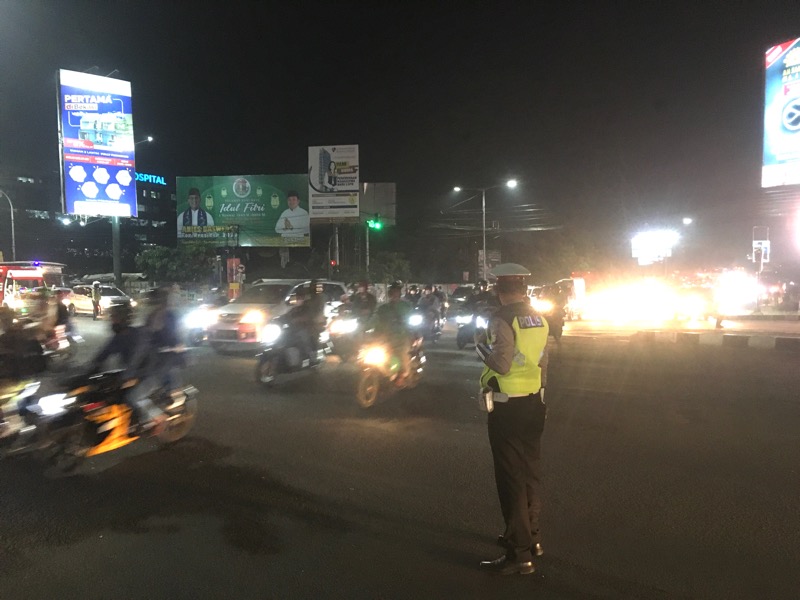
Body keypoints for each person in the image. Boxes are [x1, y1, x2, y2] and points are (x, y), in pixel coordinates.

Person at [475, 263, 549, 576]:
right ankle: (532, 539)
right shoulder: (538, 318)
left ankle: (519, 557)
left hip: (508, 407)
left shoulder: (502, 318)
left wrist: (482, 348)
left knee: (511, 479)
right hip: (534, 403)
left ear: (498, 290)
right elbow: (543, 361)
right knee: (529, 472)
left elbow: (502, 364)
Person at [371, 281, 414, 378]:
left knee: (402, 355)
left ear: (399, 293)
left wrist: (411, 331)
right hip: (385, 337)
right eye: (392, 292)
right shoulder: (383, 308)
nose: (394, 294)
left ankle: (402, 374)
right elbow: (374, 319)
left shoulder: (406, 307)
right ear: (389, 294)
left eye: (396, 292)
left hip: (401, 337)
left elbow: (412, 322)